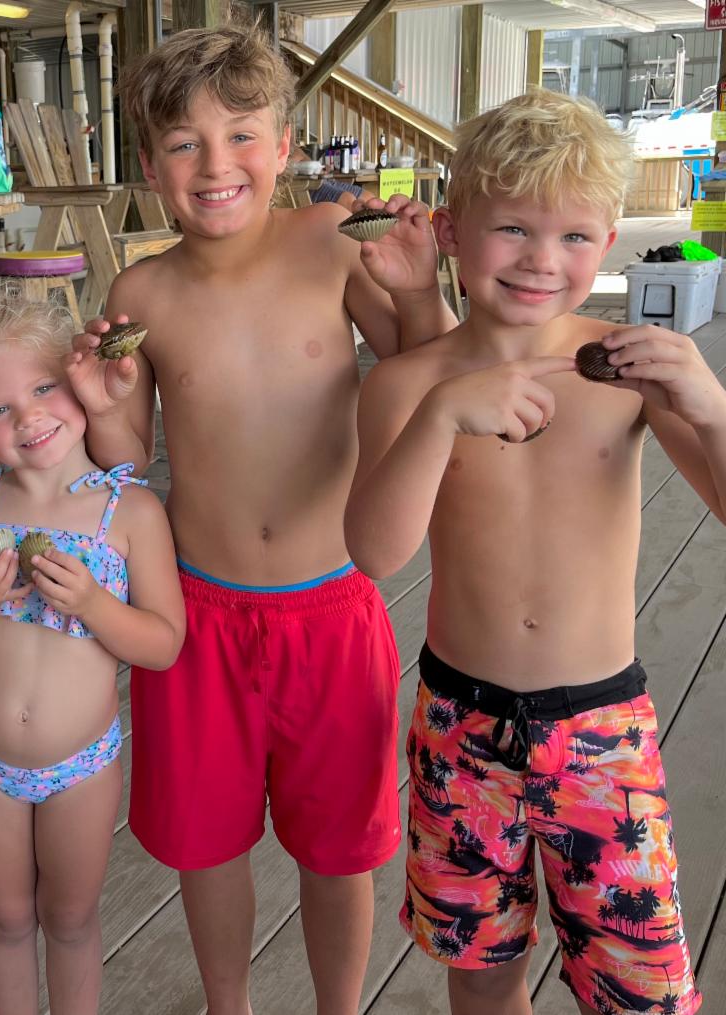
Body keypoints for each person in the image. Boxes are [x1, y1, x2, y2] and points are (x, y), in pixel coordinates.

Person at [67, 25, 455, 1014]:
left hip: (332, 607)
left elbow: (426, 365)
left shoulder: (330, 239)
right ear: (150, 163)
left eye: (240, 135)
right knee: (207, 847)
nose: (216, 165)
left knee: (342, 850)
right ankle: (227, 1004)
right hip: (196, 615)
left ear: (283, 146)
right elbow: (124, 459)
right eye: (184, 143)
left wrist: (421, 290)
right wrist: (105, 400)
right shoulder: (142, 290)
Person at [344, 89, 710, 1015]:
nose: (543, 259)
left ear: (610, 241)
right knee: (481, 970)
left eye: (574, 236)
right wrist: (439, 418)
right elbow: (376, 552)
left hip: (603, 731)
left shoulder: (627, 370)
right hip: (459, 727)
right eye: (513, 227)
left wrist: (710, 406)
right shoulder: (408, 384)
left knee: (642, 989)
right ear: (452, 230)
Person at [0, 295, 185, 1015]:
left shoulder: (130, 512)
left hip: (80, 766)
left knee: (69, 920)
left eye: (42, 388)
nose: (28, 417)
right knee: (4, 920)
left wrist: (94, 604)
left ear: (80, 378)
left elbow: (164, 643)